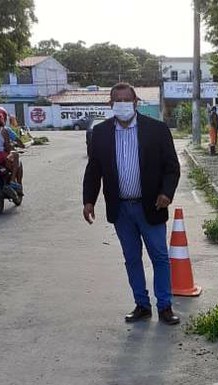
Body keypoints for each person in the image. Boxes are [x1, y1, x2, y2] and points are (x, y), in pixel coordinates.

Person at [83, 83, 181, 325]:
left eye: (127, 100)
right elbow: (94, 170)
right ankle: (142, 305)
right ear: (110, 104)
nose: (123, 104)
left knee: (159, 257)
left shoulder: (156, 130)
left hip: (151, 206)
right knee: (132, 259)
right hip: (121, 209)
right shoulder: (102, 133)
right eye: (118, 100)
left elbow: (172, 167)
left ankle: (165, 306)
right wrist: (88, 201)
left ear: (136, 102)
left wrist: (166, 193)